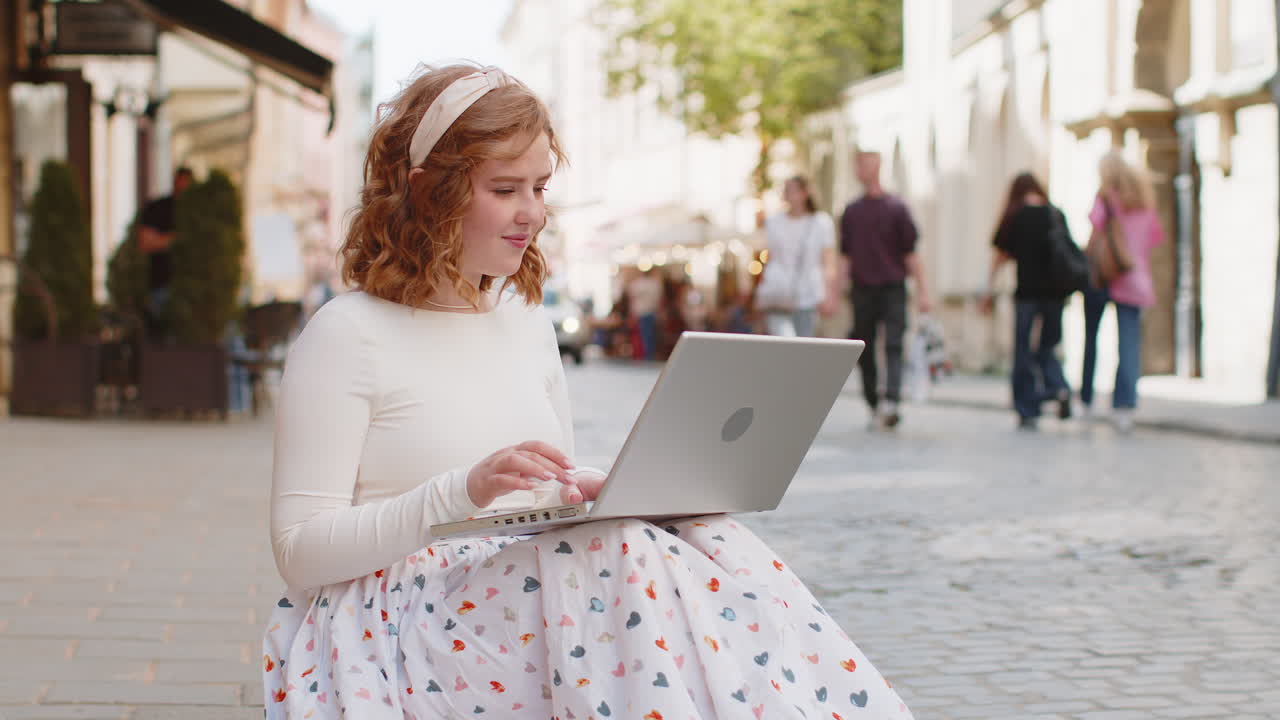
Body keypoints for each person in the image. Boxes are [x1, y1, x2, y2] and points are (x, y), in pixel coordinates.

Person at [261, 64, 913, 720]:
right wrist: (458, 493)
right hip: (397, 623)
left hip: (521, 609)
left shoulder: (527, 324)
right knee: (621, 557)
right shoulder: (345, 335)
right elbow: (298, 553)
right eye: (505, 188)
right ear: (428, 190)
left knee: (707, 539)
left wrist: (600, 491)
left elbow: (548, 504)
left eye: (540, 187)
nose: (532, 213)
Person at [840, 151, 932, 429]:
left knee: (894, 343)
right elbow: (845, 257)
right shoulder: (852, 212)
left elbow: (911, 254)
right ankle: (873, 401)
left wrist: (923, 292)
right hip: (862, 289)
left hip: (893, 287)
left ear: (877, 166)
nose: (861, 169)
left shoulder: (897, 208)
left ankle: (892, 400)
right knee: (864, 348)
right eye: (857, 164)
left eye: (866, 162)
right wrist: (835, 291)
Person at [1080, 152, 1166, 432]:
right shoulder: (1143, 202)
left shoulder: (1106, 198)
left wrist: (1087, 262)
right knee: (1129, 344)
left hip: (1105, 276)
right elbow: (1152, 240)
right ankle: (1123, 407)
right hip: (1134, 277)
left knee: (1091, 337)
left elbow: (1094, 236)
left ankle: (1086, 400)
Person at [983, 172, 1074, 430]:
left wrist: (988, 289)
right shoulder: (1055, 214)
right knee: (1047, 347)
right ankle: (1059, 389)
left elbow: (1000, 256)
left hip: (1027, 295)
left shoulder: (1016, 216)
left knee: (1023, 350)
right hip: (1056, 295)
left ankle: (1027, 406)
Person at [758, 175, 838, 337]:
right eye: (786, 190)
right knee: (783, 342)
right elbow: (769, 258)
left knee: (804, 344)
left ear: (805, 193)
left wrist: (830, 293)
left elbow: (828, 261)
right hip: (778, 292)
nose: (788, 194)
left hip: (808, 293)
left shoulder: (821, 223)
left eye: (792, 190)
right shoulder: (774, 222)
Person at [136, 167, 194, 339]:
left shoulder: (198, 212)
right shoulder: (158, 208)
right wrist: (177, 239)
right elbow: (145, 243)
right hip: (161, 284)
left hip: (191, 288)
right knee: (162, 335)